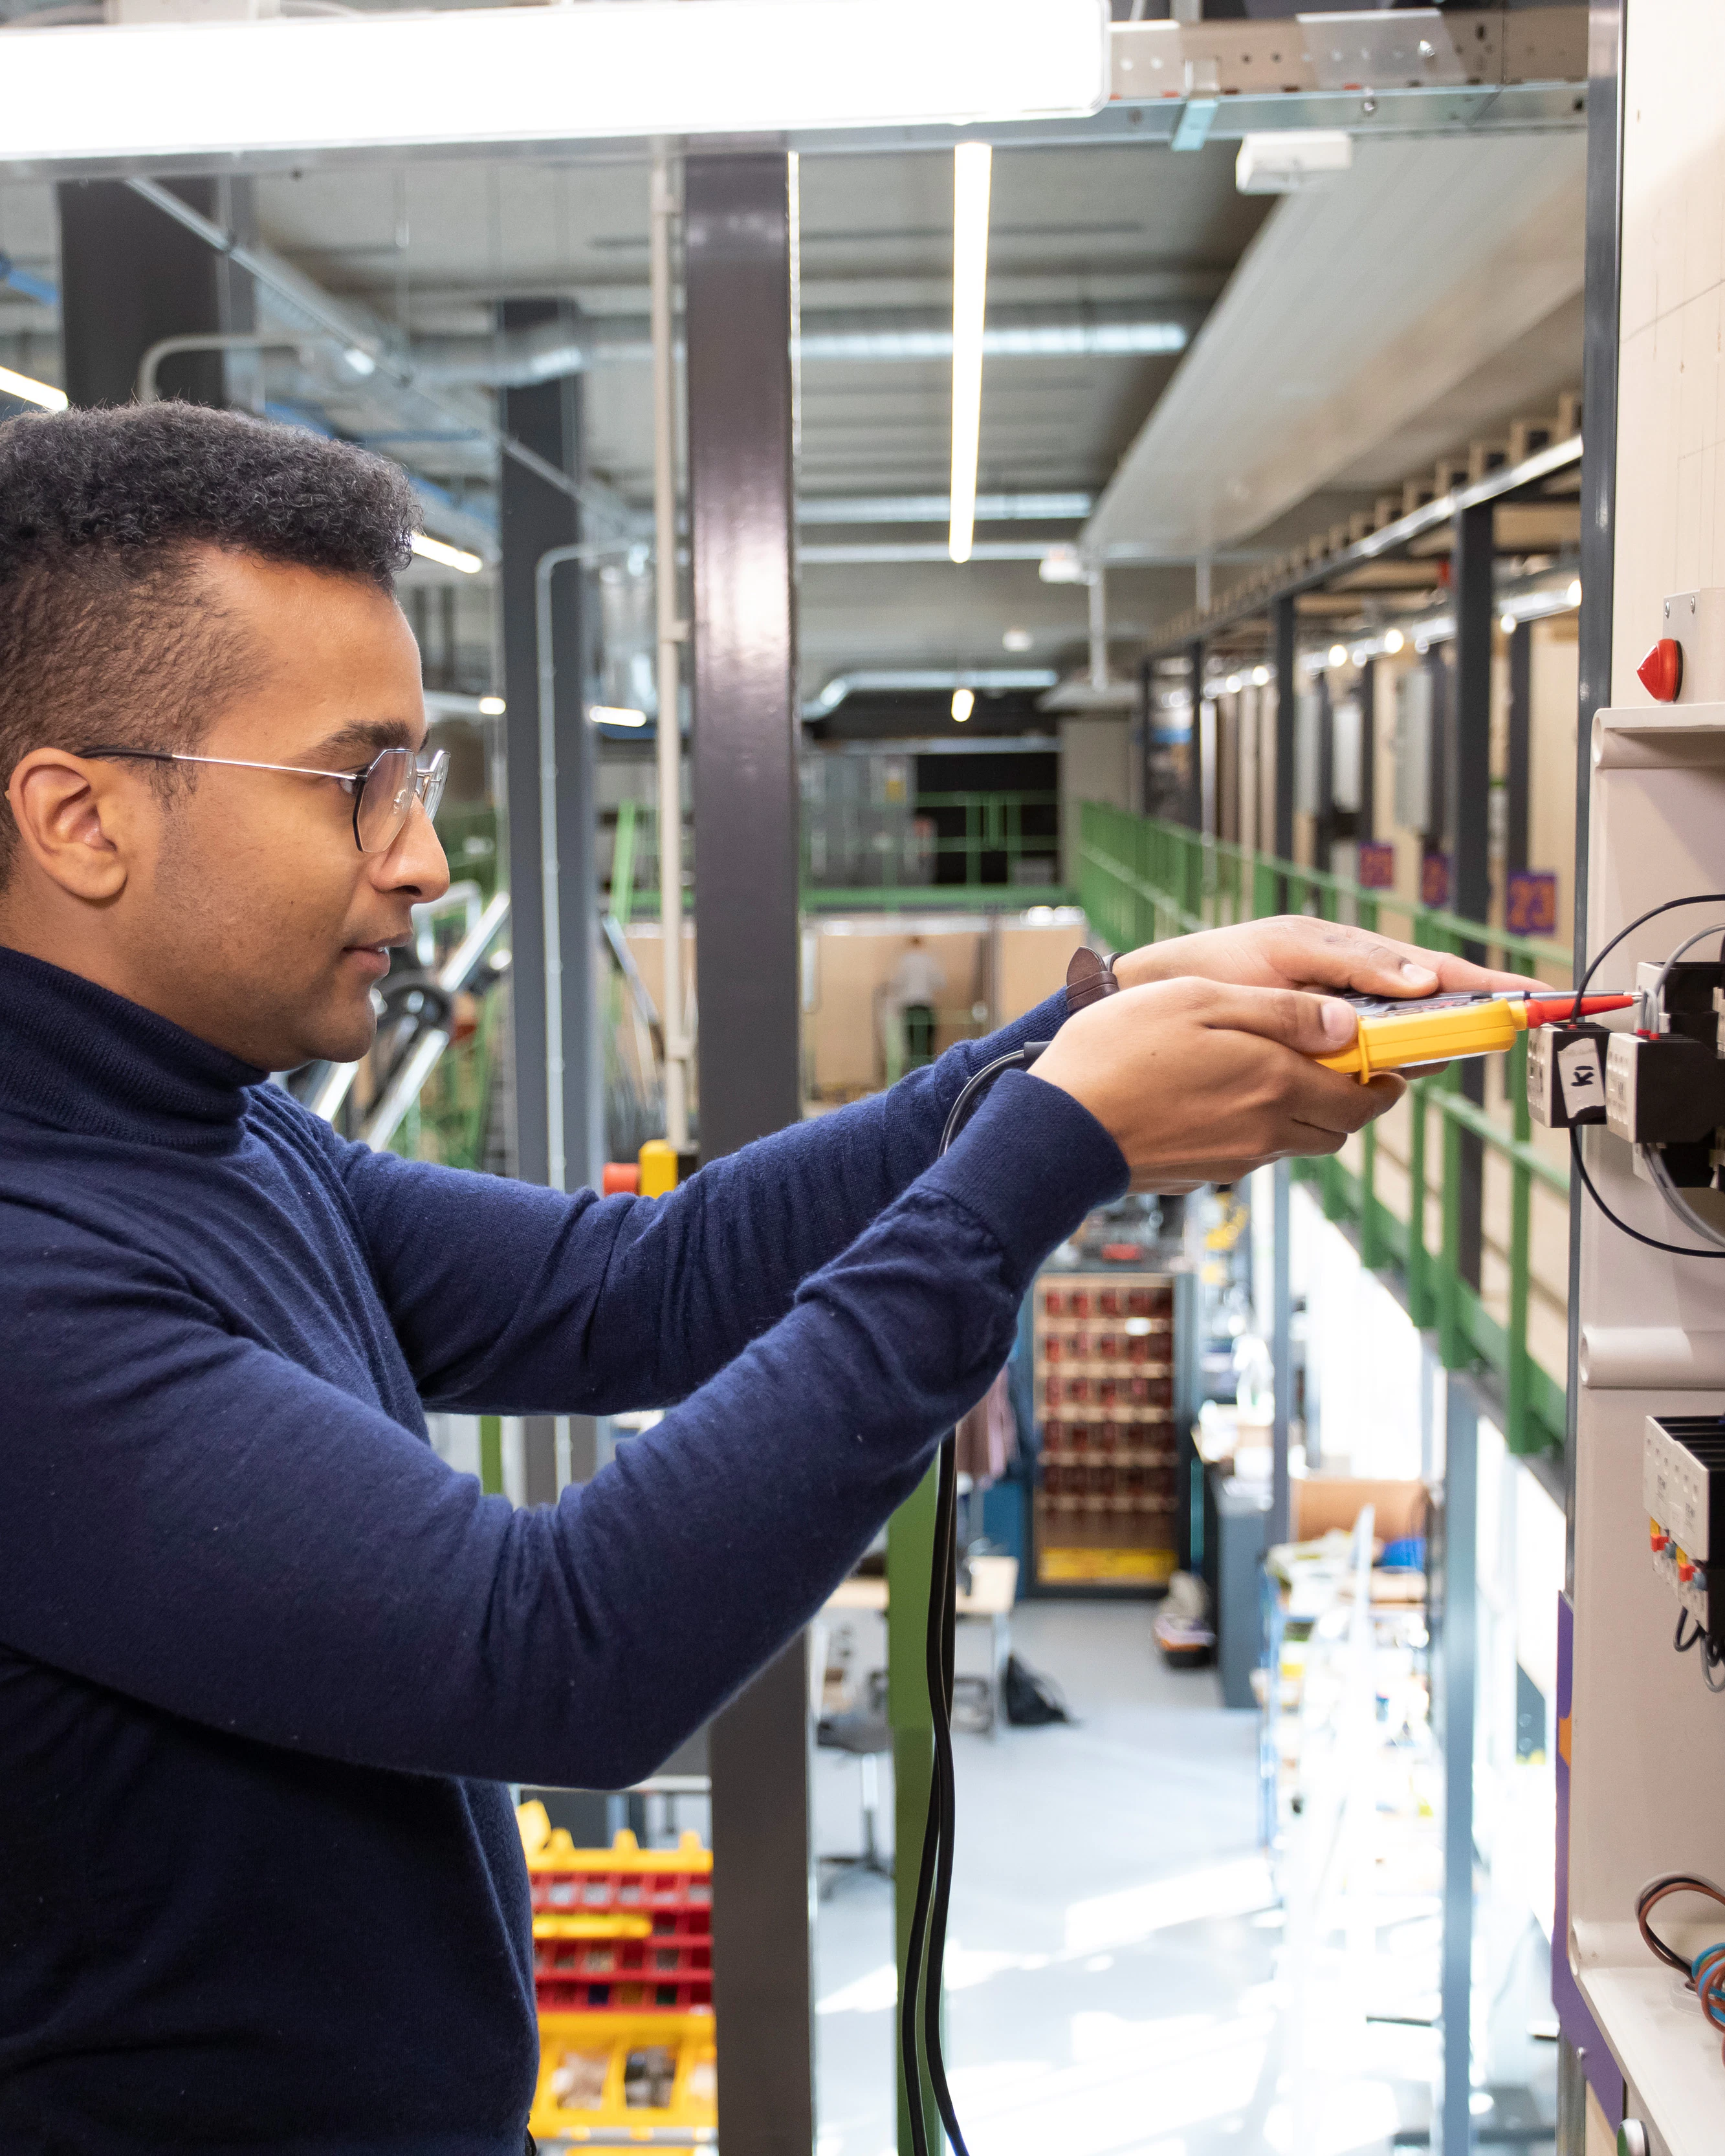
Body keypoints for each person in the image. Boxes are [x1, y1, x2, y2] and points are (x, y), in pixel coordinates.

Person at [0, 403, 1528, 2150]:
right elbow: (558, 1651)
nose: (421, 854)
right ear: (80, 817)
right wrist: (1048, 1151)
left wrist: (1067, 1042)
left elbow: (634, 1280)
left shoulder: (216, 1131)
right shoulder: (31, 1279)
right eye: (362, 779)